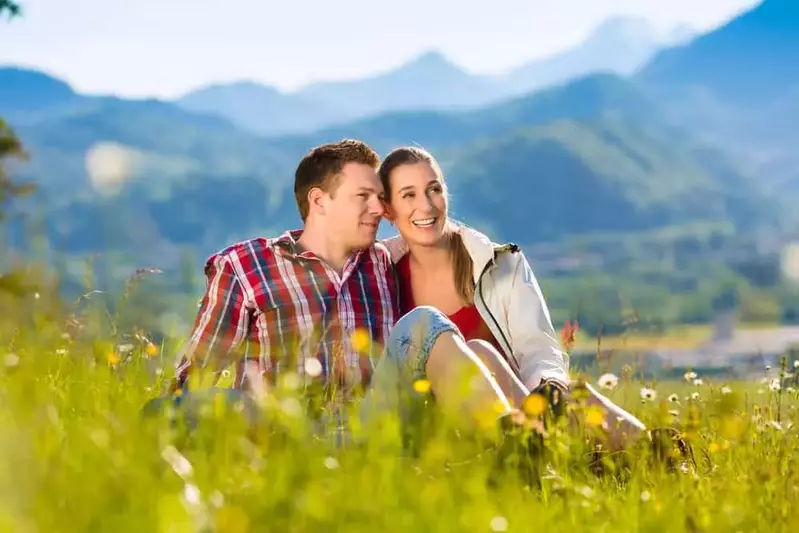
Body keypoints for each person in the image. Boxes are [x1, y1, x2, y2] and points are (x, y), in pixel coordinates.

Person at [160, 139, 540, 451]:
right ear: (320, 201)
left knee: (428, 324)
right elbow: (194, 376)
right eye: (364, 197)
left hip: (374, 432)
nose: (380, 208)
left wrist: (502, 258)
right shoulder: (246, 267)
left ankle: (516, 452)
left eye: (380, 197)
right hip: (287, 437)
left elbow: (436, 232)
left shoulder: (380, 261)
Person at [376, 146, 691, 465]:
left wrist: (549, 388)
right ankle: (625, 454)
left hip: (514, 406)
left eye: (434, 189)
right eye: (409, 195)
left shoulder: (500, 264)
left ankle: (653, 455)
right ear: (388, 210)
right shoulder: (380, 274)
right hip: (441, 423)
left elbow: (537, 346)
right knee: (478, 351)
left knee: (560, 390)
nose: (426, 205)